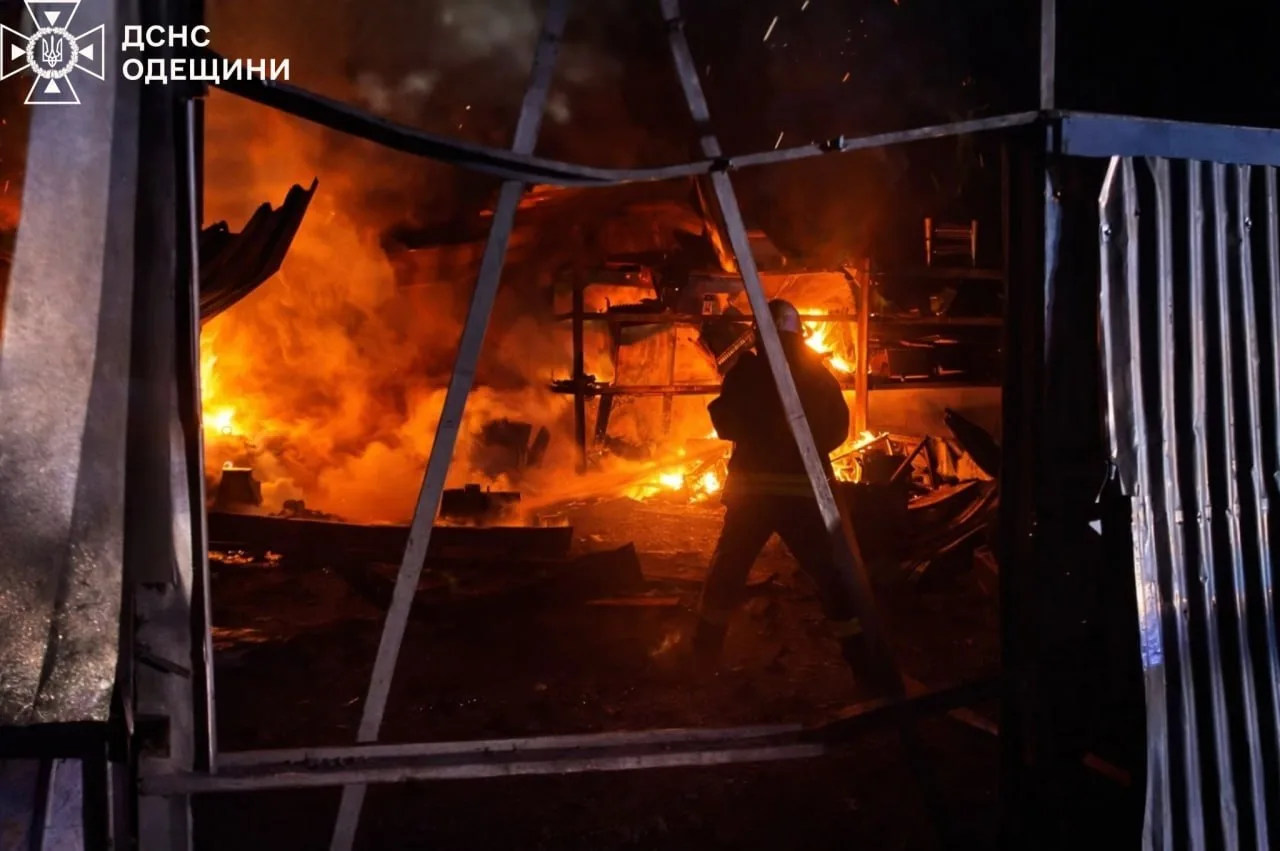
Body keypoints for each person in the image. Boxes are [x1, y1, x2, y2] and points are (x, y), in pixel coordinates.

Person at [690, 299, 866, 667]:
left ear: (758, 331)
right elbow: (837, 430)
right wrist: (802, 444)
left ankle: (704, 652)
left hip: (752, 491)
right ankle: (861, 657)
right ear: (798, 333)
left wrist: (759, 430)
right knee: (828, 572)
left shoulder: (746, 373)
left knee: (728, 568)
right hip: (803, 492)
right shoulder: (818, 375)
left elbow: (725, 423)